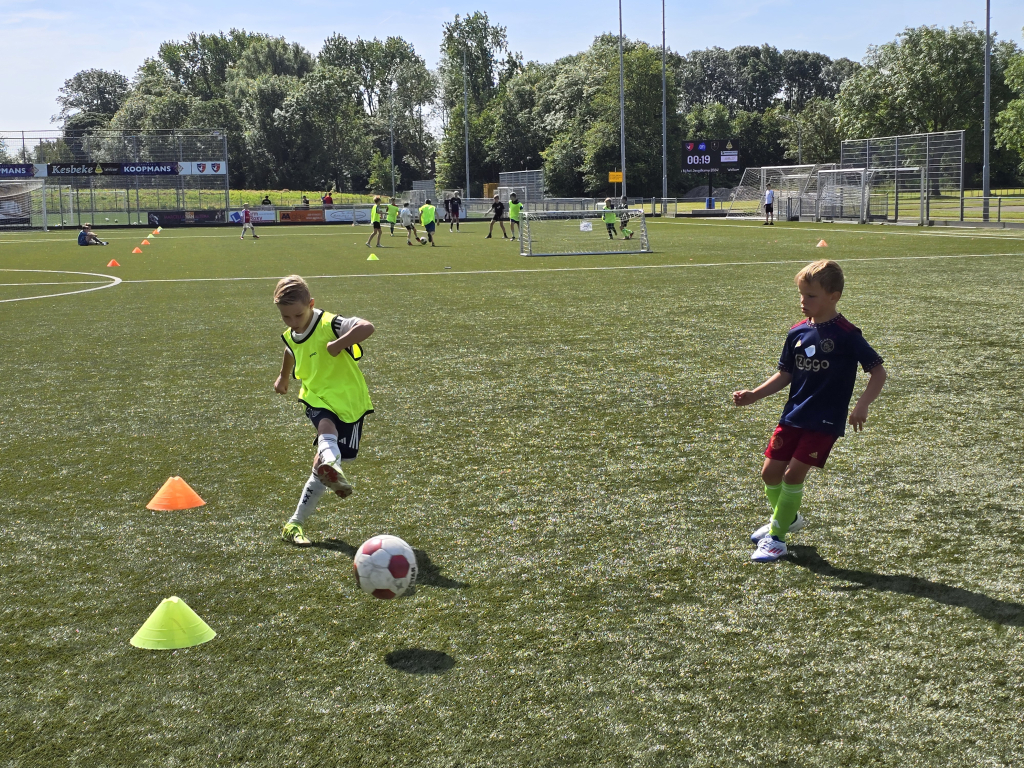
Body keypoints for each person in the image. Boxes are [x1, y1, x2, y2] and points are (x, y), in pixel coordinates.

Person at [732, 259, 887, 563]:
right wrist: (754, 395)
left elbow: (878, 372)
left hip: (825, 420)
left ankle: (777, 538)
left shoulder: (847, 334)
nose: (803, 301)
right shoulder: (797, 332)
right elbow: (786, 374)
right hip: (794, 414)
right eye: (801, 294)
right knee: (769, 473)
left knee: (792, 476)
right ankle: (787, 518)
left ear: (834, 296)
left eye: (811, 296)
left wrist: (862, 404)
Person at [273, 275, 375, 546]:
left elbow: (367, 327)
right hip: (315, 396)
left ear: (311, 304)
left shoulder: (331, 323)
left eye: (298, 315)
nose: (292, 322)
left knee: (324, 466)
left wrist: (339, 343)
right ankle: (330, 462)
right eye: (285, 317)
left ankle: (294, 524)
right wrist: (283, 377)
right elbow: (291, 348)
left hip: (348, 400)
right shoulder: (291, 333)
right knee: (325, 428)